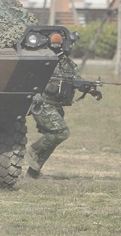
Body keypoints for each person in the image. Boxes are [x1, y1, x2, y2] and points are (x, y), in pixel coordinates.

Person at [27, 31, 87, 179]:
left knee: (52, 139)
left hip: (57, 106)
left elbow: (78, 81)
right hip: (42, 104)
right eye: (70, 43)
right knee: (61, 133)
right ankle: (33, 149)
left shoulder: (68, 63)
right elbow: (29, 79)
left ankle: (32, 173)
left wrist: (89, 88)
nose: (71, 46)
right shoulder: (44, 61)